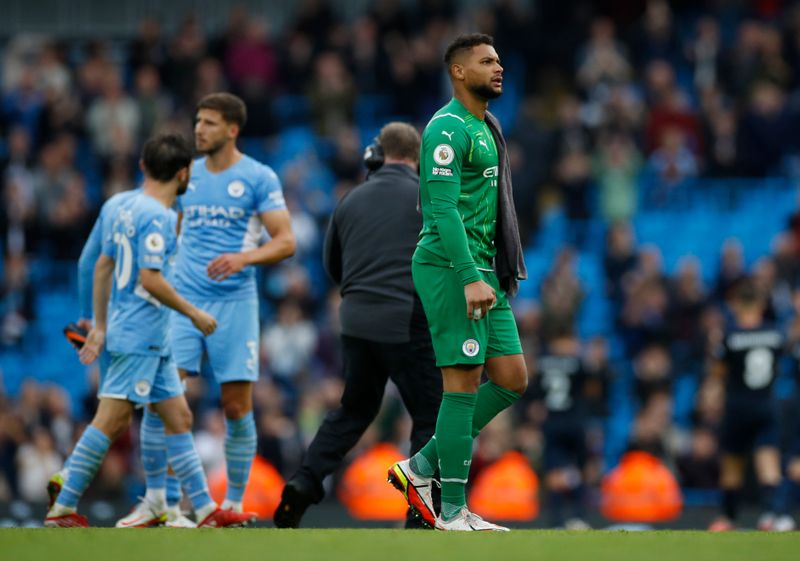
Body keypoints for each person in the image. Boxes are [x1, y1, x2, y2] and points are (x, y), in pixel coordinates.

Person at [44, 134, 256, 528]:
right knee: (112, 421)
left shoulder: (118, 205)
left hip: (141, 334)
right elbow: (151, 279)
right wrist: (194, 314)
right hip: (141, 334)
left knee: (178, 416)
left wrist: (98, 324)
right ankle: (64, 500)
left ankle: (207, 510)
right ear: (182, 173)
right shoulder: (157, 216)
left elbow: (101, 264)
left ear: (142, 166)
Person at [387, 33, 528, 532]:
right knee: (462, 384)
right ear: (458, 72)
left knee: (512, 378)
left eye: (500, 59)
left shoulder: (484, 127)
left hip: (484, 268)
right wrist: (469, 277)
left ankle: (420, 468)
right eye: (487, 61)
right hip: (451, 267)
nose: (499, 67)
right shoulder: (446, 128)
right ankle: (451, 511)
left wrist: (484, 272)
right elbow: (441, 209)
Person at [273, 122, 442, 528]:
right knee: (430, 416)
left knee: (353, 410)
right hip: (407, 319)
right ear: (417, 158)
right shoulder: (427, 198)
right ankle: (421, 514)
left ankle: (303, 481)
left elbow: (334, 266)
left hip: (356, 321)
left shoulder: (350, 200)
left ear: (377, 155)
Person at [169, 92, 294, 514]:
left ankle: (234, 504)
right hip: (185, 300)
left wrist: (244, 257)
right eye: (197, 121)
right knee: (168, 396)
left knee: (236, 405)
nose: (198, 129)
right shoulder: (185, 174)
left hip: (235, 303)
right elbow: (173, 230)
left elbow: (286, 241)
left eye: (208, 123)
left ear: (232, 129)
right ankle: (165, 502)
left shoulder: (259, 177)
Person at [707, 278, 784, 531]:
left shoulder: (730, 335)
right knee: (768, 461)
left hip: (738, 406)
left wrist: (713, 398)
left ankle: (728, 518)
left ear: (738, 304)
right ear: (761, 304)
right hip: (766, 404)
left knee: (732, 465)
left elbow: (717, 373)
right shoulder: (774, 333)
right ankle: (771, 515)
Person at [533, 331, 592, 529]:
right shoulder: (578, 363)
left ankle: (557, 519)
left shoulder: (542, 362)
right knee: (580, 469)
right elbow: (591, 388)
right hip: (574, 421)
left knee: (554, 472)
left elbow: (534, 392)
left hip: (552, 423)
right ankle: (577, 516)